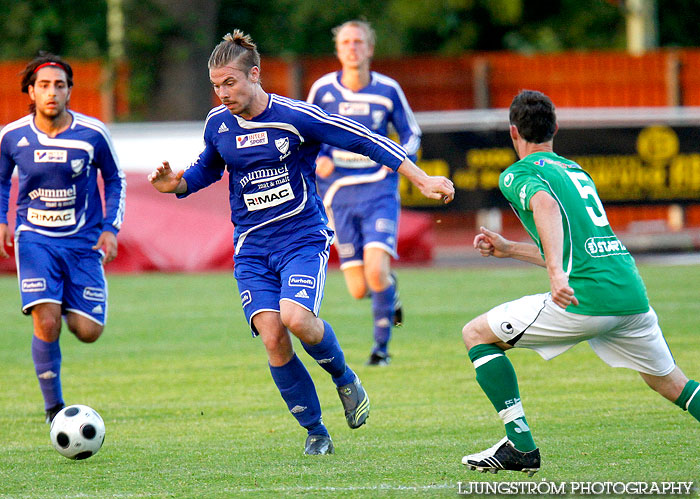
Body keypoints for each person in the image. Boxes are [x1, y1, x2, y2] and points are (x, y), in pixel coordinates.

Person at [148, 30, 453, 455]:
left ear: (254, 75)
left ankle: (346, 378)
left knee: (296, 317)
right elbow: (207, 169)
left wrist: (421, 179)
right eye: (215, 86)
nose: (222, 93)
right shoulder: (218, 124)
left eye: (230, 83)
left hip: (302, 238)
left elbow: (365, 139)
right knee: (272, 336)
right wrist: (176, 185)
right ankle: (316, 432)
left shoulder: (295, 116)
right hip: (252, 248)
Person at [461, 89, 699, 475]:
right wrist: (510, 250)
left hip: (584, 300)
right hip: (630, 295)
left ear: (513, 133)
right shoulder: (575, 171)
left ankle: (520, 447)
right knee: (673, 384)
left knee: (476, 334)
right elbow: (576, 251)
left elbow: (545, 206)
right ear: (555, 128)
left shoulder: (518, 174)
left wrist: (555, 274)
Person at [0, 52, 126, 423]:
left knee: (87, 331)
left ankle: (65, 297)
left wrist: (110, 228)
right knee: (47, 320)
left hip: (82, 241)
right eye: (44, 86)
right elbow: (1, 180)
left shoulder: (92, 134)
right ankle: (54, 408)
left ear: (70, 91)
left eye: (59, 85)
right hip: (34, 238)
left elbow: (115, 180)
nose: (51, 92)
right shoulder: (13, 137)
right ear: (31, 91)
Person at [306, 20, 421, 366]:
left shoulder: (387, 90)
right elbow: (305, 130)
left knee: (374, 269)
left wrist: (399, 160)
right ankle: (390, 287)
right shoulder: (323, 90)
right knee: (359, 288)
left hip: (378, 191)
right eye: (346, 42)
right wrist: (321, 158)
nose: (352, 48)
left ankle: (381, 350)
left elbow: (411, 133)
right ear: (338, 50)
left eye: (358, 42)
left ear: (369, 49)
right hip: (337, 195)